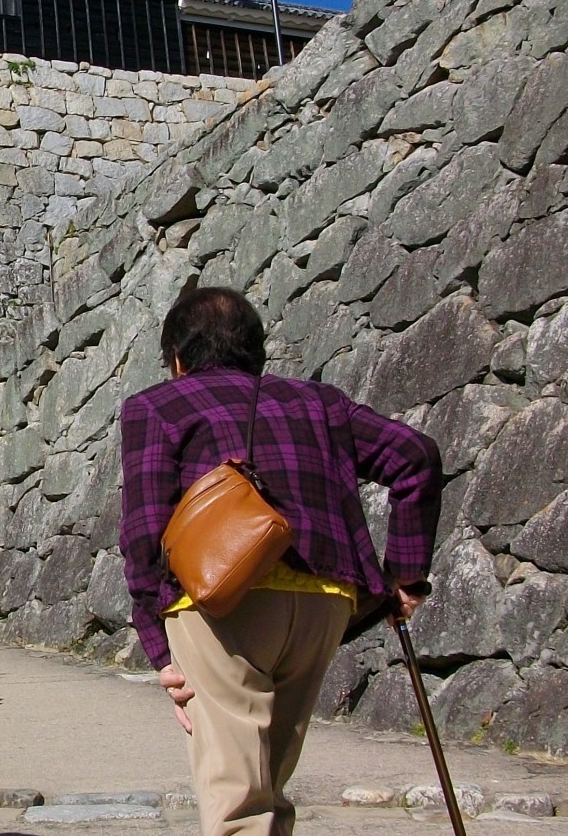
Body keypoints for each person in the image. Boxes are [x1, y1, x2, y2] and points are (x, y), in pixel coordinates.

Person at [119, 287, 441, 836]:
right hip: (324, 604)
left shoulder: (157, 406)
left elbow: (146, 529)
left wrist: (158, 646)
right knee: (269, 779)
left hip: (223, 601)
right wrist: (402, 576)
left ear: (177, 358)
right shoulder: (321, 403)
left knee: (239, 797)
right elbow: (416, 456)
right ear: (257, 352)